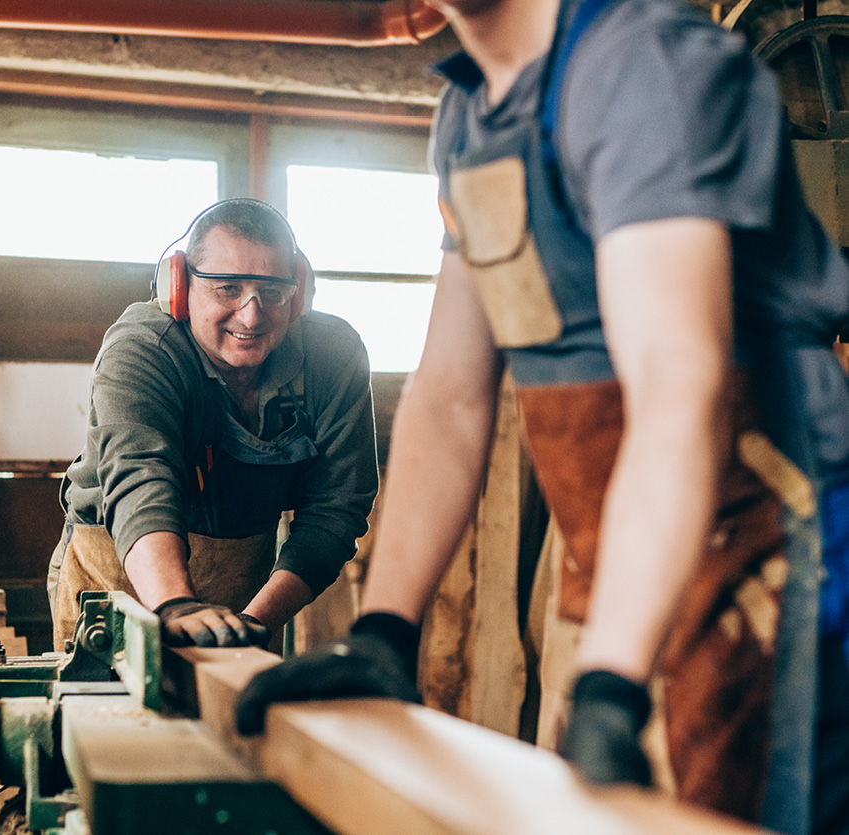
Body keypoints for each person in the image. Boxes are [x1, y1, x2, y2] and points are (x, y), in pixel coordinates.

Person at [234, 1, 849, 834]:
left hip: (781, 563)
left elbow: (677, 386)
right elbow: (450, 396)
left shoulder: (642, 68)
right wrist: (383, 635)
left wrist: (610, 680)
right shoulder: (470, 115)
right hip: (641, 566)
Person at [47, 198, 379, 652]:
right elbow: (140, 475)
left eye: (273, 292)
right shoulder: (142, 349)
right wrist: (175, 605)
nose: (251, 314)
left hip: (249, 589)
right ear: (179, 286)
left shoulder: (334, 358)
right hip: (117, 572)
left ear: (298, 290)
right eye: (227, 289)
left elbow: (336, 509)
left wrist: (253, 624)